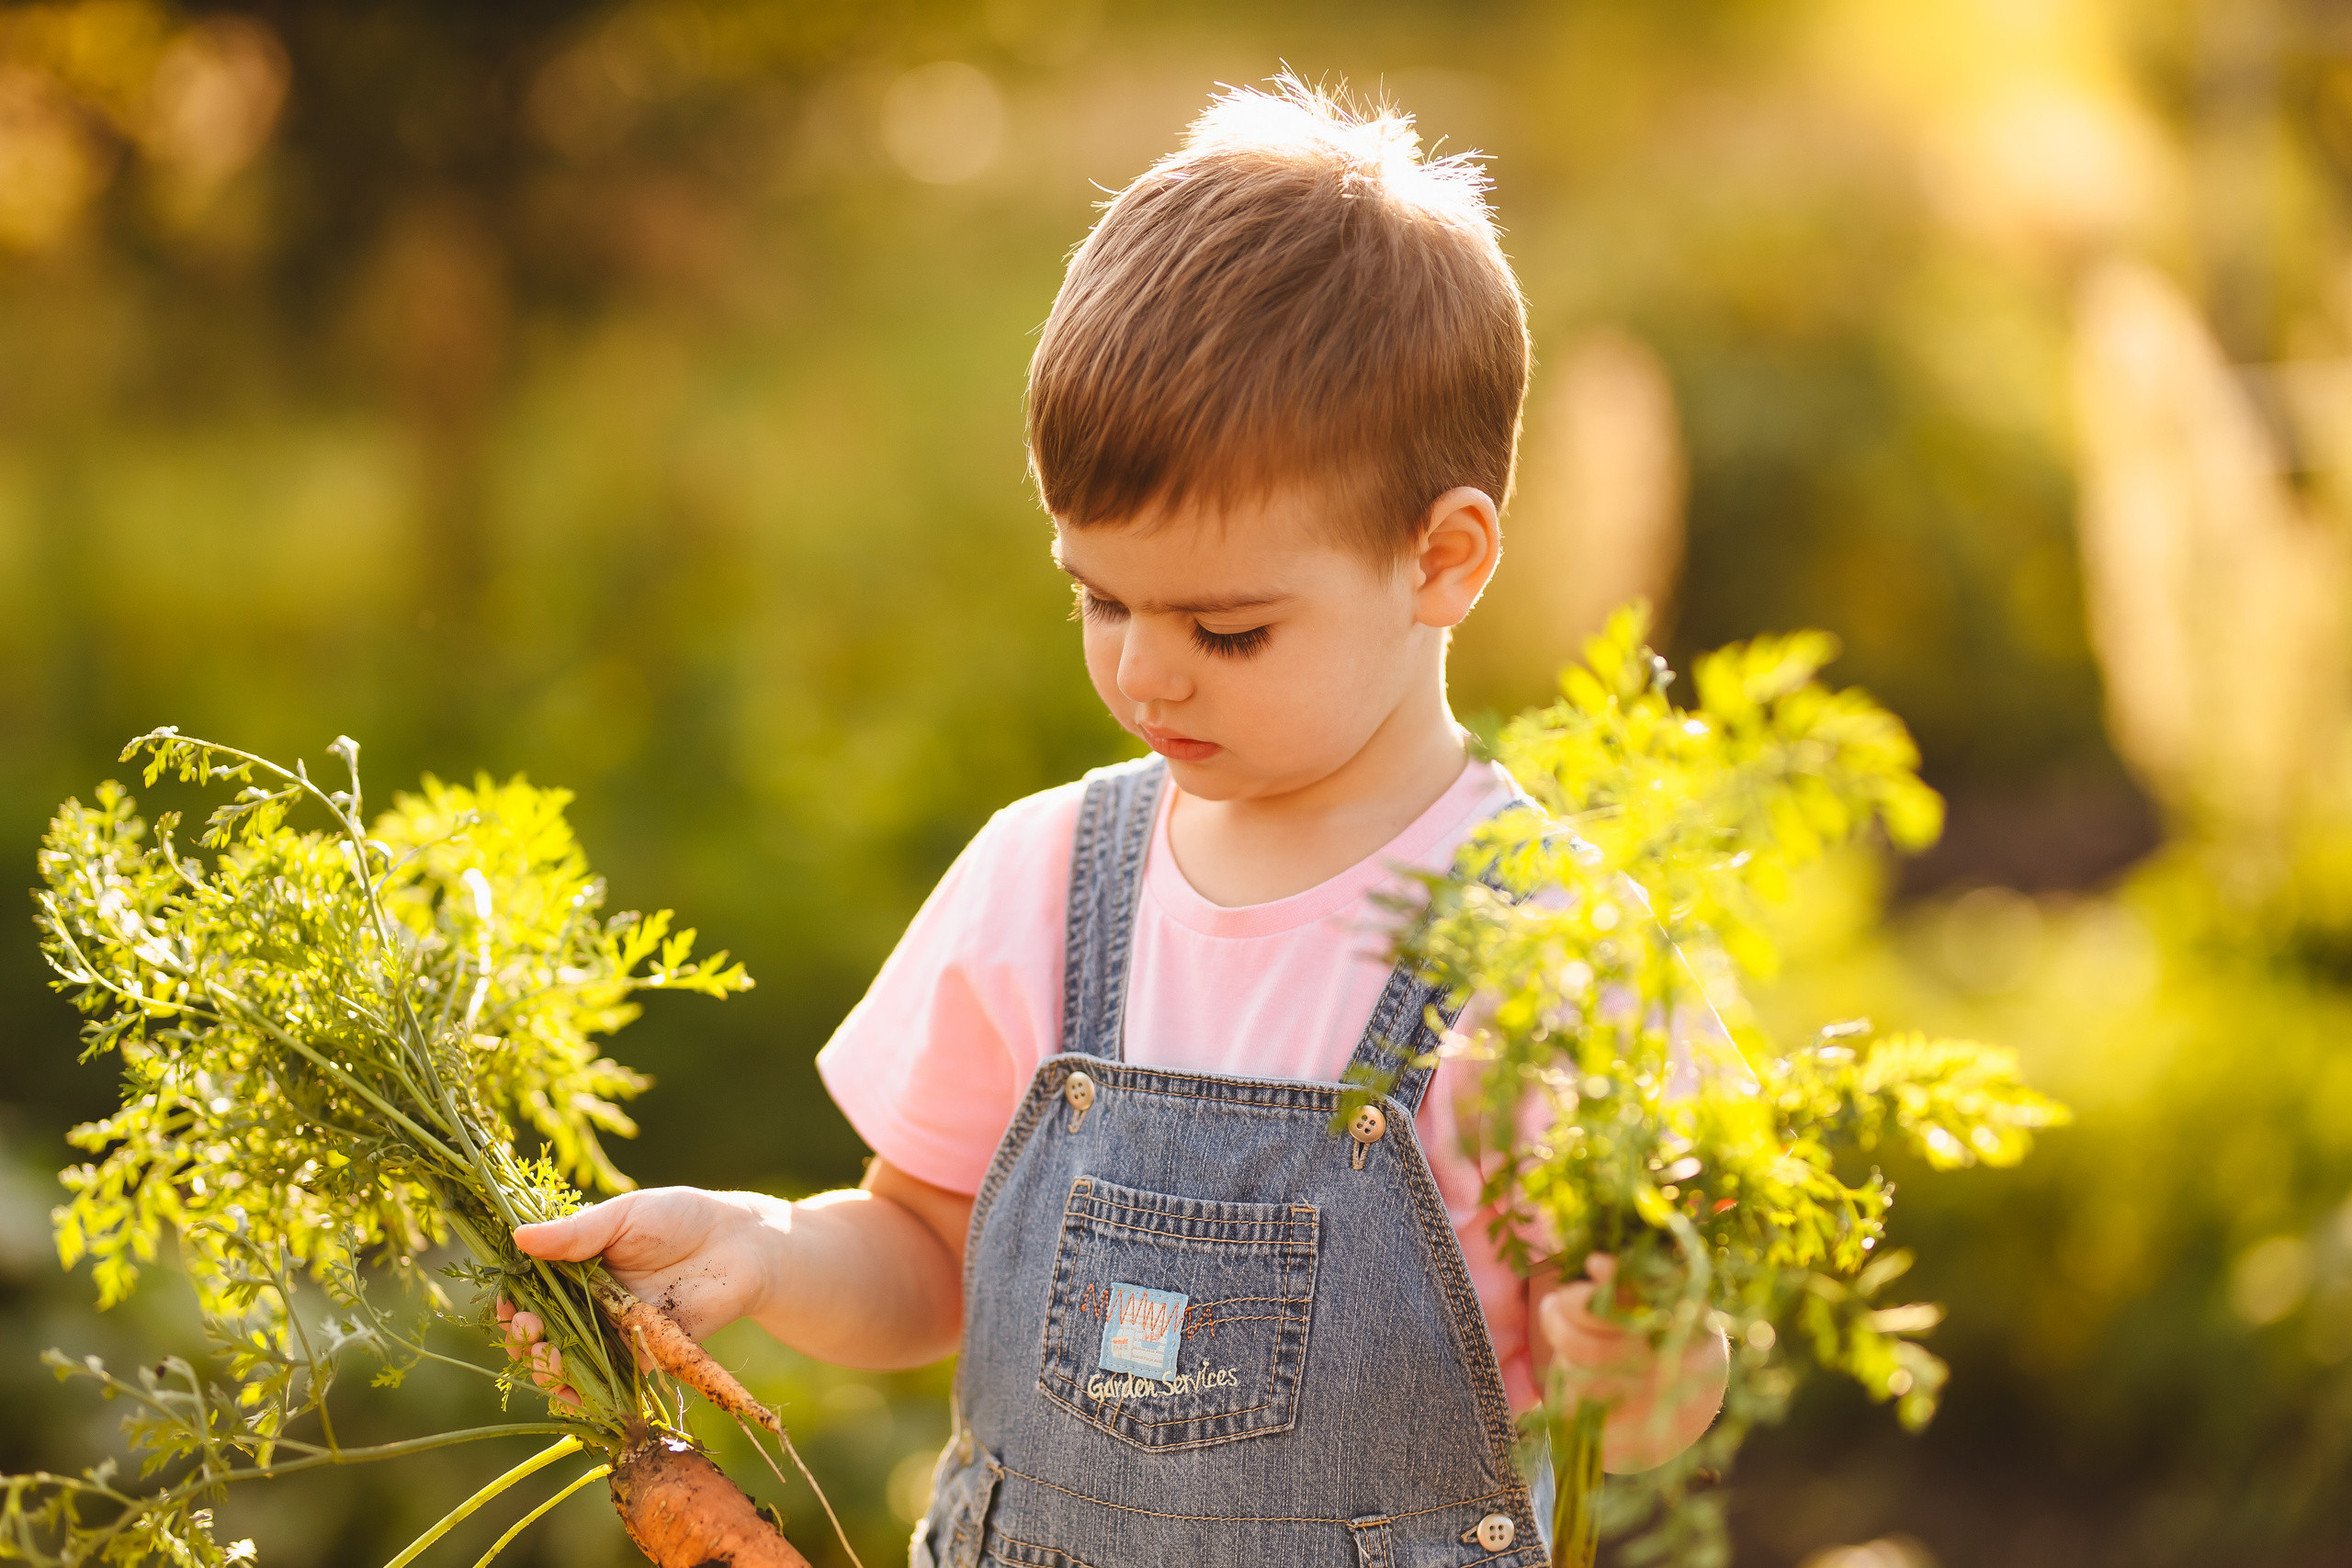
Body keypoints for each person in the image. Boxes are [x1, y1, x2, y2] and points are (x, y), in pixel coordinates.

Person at [501, 75, 1727, 1566]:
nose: (1144, 673)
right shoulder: (1043, 880)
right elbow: (927, 1252)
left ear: (1443, 559)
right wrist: (760, 1248)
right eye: (1100, 600)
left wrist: (1646, 1367)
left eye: (1227, 629)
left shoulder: (1554, 948)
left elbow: (1656, 1396)